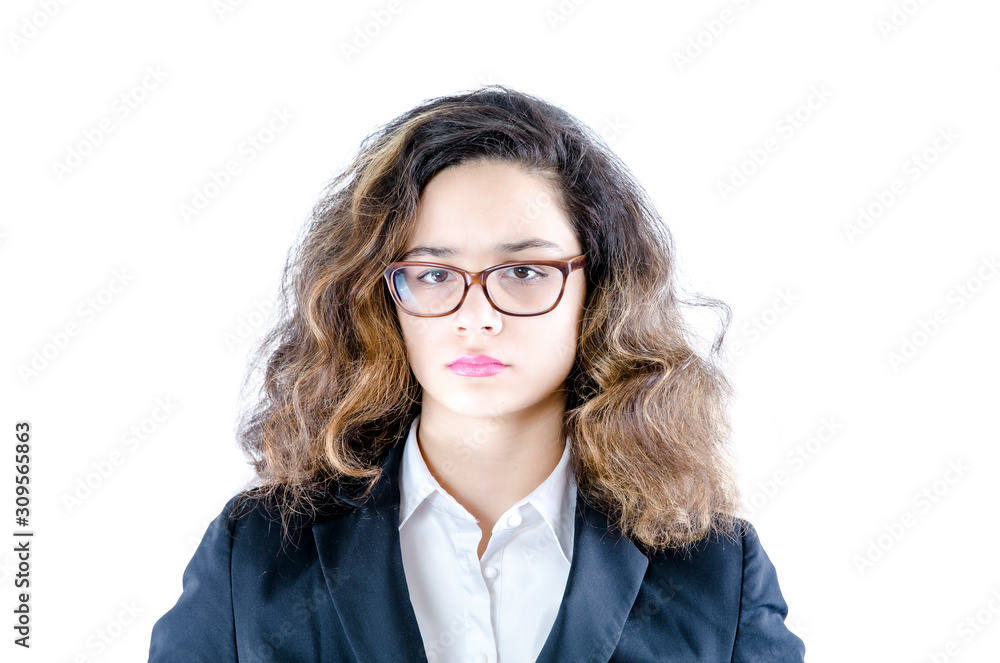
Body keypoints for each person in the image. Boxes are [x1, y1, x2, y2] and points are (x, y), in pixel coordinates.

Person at [148, 86, 806, 662]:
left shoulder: (716, 569)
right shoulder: (259, 552)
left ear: (597, 288)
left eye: (523, 272)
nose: (477, 315)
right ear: (383, 295)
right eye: (434, 275)